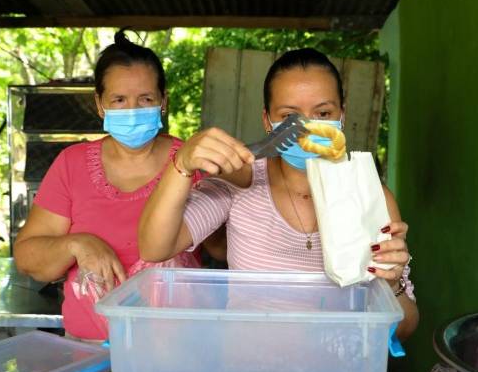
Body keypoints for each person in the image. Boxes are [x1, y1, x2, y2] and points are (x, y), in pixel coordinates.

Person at [138, 48, 419, 339]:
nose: (306, 127)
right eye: (289, 115)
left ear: (342, 115)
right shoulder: (240, 182)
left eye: (323, 113)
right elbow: (154, 247)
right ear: (267, 121)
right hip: (249, 366)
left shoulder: (371, 196)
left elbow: (405, 327)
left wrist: (392, 284)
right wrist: (181, 164)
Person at [13, 29, 220, 341]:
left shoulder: (194, 163)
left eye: (146, 99)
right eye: (119, 100)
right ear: (100, 104)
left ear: (163, 102)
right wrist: (76, 244)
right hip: (88, 350)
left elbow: (226, 248)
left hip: (175, 350)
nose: (133, 110)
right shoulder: (72, 164)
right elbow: (29, 259)